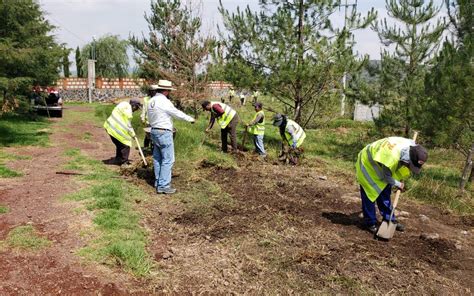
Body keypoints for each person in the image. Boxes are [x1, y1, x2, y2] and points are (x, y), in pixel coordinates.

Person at [356, 137, 428, 234]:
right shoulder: (391, 157)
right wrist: (399, 184)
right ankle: (370, 223)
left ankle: (389, 219)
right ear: (408, 159)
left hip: (382, 162)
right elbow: (387, 177)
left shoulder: (412, 147)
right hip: (368, 164)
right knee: (369, 195)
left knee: (385, 192)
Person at [148, 80, 195, 194]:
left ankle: (158, 182)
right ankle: (163, 185)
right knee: (168, 159)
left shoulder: (151, 101)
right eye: (169, 91)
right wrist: (190, 119)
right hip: (164, 132)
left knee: (158, 158)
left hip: (153, 130)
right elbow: (176, 113)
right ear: (166, 91)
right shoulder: (164, 101)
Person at [104, 99, 142, 165]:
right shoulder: (128, 111)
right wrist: (133, 135)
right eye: (136, 108)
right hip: (116, 129)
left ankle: (118, 159)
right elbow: (128, 125)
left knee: (119, 145)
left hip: (109, 127)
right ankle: (124, 162)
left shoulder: (123, 104)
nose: (135, 111)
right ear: (134, 106)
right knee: (126, 144)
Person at [141, 84, 159, 151]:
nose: (153, 92)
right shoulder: (146, 99)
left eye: (154, 91)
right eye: (152, 91)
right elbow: (144, 109)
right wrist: (142, 118)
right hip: (148, 121)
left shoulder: (158, 99)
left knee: (155, 136)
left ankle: (154, 149)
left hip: (157, 121)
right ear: (150, 91)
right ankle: (145, 148)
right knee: (148, 136)